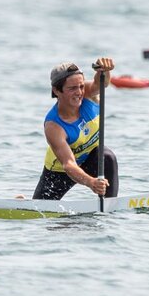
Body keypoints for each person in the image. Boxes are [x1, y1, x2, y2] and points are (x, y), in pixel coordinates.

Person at [32, 58, 119, 201]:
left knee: (107, 156)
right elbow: (69, 164)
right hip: (59, 171)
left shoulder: (88, 94)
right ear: (56, 90)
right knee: (38, 209)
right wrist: (91, 183)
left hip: (90, 159)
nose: (79, 92)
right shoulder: (54, 126)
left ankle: (110, 205)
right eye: (72, 88)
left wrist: (103, 70)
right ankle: (21, 200)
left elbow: (101, 83)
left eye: (81, 86)